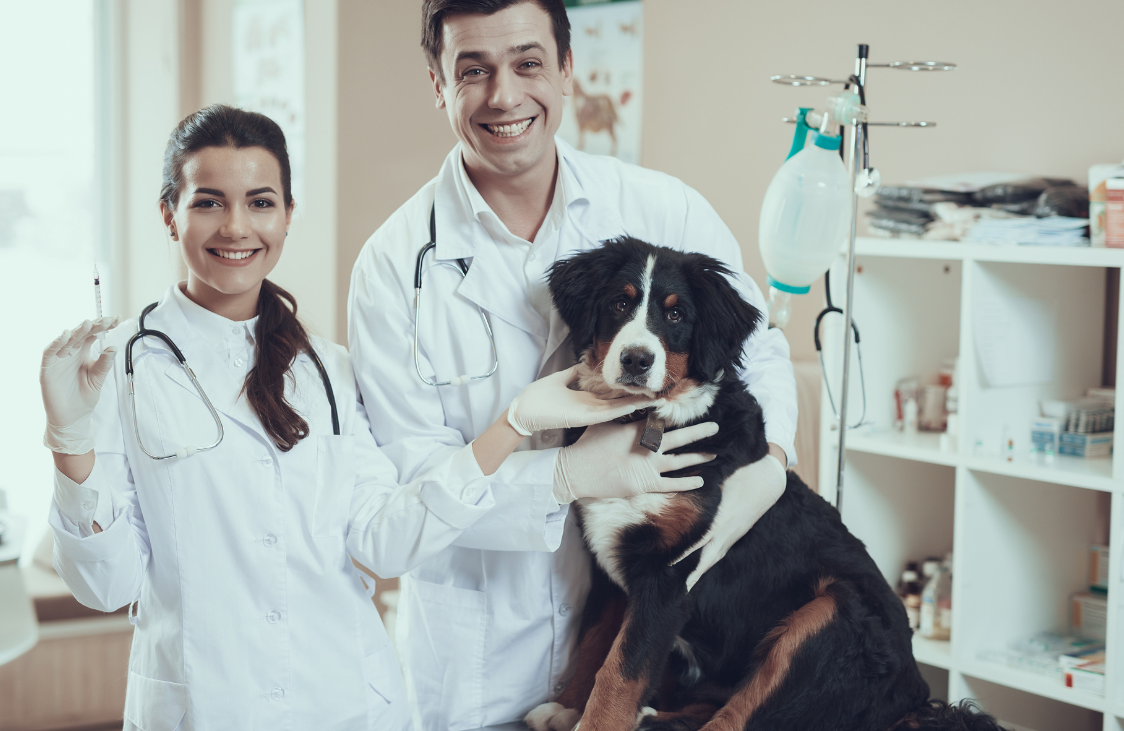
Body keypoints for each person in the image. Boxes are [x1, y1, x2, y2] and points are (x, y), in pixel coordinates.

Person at [38, 105, 709, 730]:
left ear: (289, 214)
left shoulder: (326, 371)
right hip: (206, 702)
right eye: (208, 202)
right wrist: (70, 445)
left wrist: (516, 425)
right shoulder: (114, 371)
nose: (237, 227)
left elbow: (385, 543)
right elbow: (107, 585)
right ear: (168, 213)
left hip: (346, 700)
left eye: (260, 202)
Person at [346, 0, 800, 728]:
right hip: (476, 648)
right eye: (473, 70)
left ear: (566, 68)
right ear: (437, 84)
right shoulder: (393, 267)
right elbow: (416, 476)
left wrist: (771, 470)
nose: (503, 95)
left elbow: (763, 353)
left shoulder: (660, 206)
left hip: (642, 633)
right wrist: (562, 475)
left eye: (527, 62)